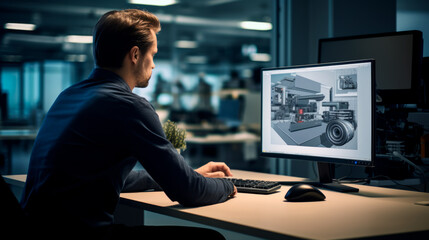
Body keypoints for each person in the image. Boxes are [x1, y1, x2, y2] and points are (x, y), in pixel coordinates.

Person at [20, 9, 236, 239]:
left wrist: (182, 174)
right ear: (135, 55)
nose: (153, 65)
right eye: (152, 55)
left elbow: (100, 174)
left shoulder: (69, 95)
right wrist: (230, 186)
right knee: (211, 238)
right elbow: (189, 191)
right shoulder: (131, 106)